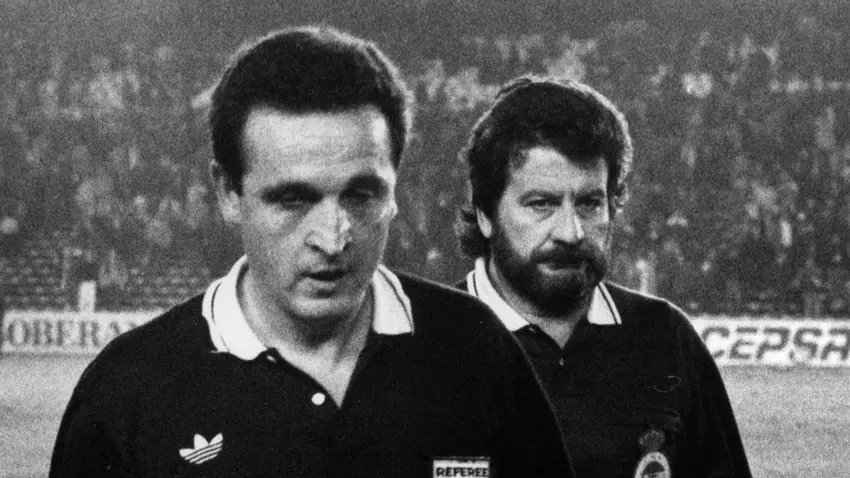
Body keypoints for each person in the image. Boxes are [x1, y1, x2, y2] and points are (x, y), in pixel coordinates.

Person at [50, 27, 574, 477]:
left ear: (395, 189)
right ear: (228, 192)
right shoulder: (128, 392)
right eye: (293, 199)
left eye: (361, 194)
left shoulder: (478, 349)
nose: (333, 237)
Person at [456, 75, 751, 478]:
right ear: (485, 215)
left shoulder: (667, 340)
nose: (571, 232)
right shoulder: (428, 348)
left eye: (590, 203)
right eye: (541, 204)